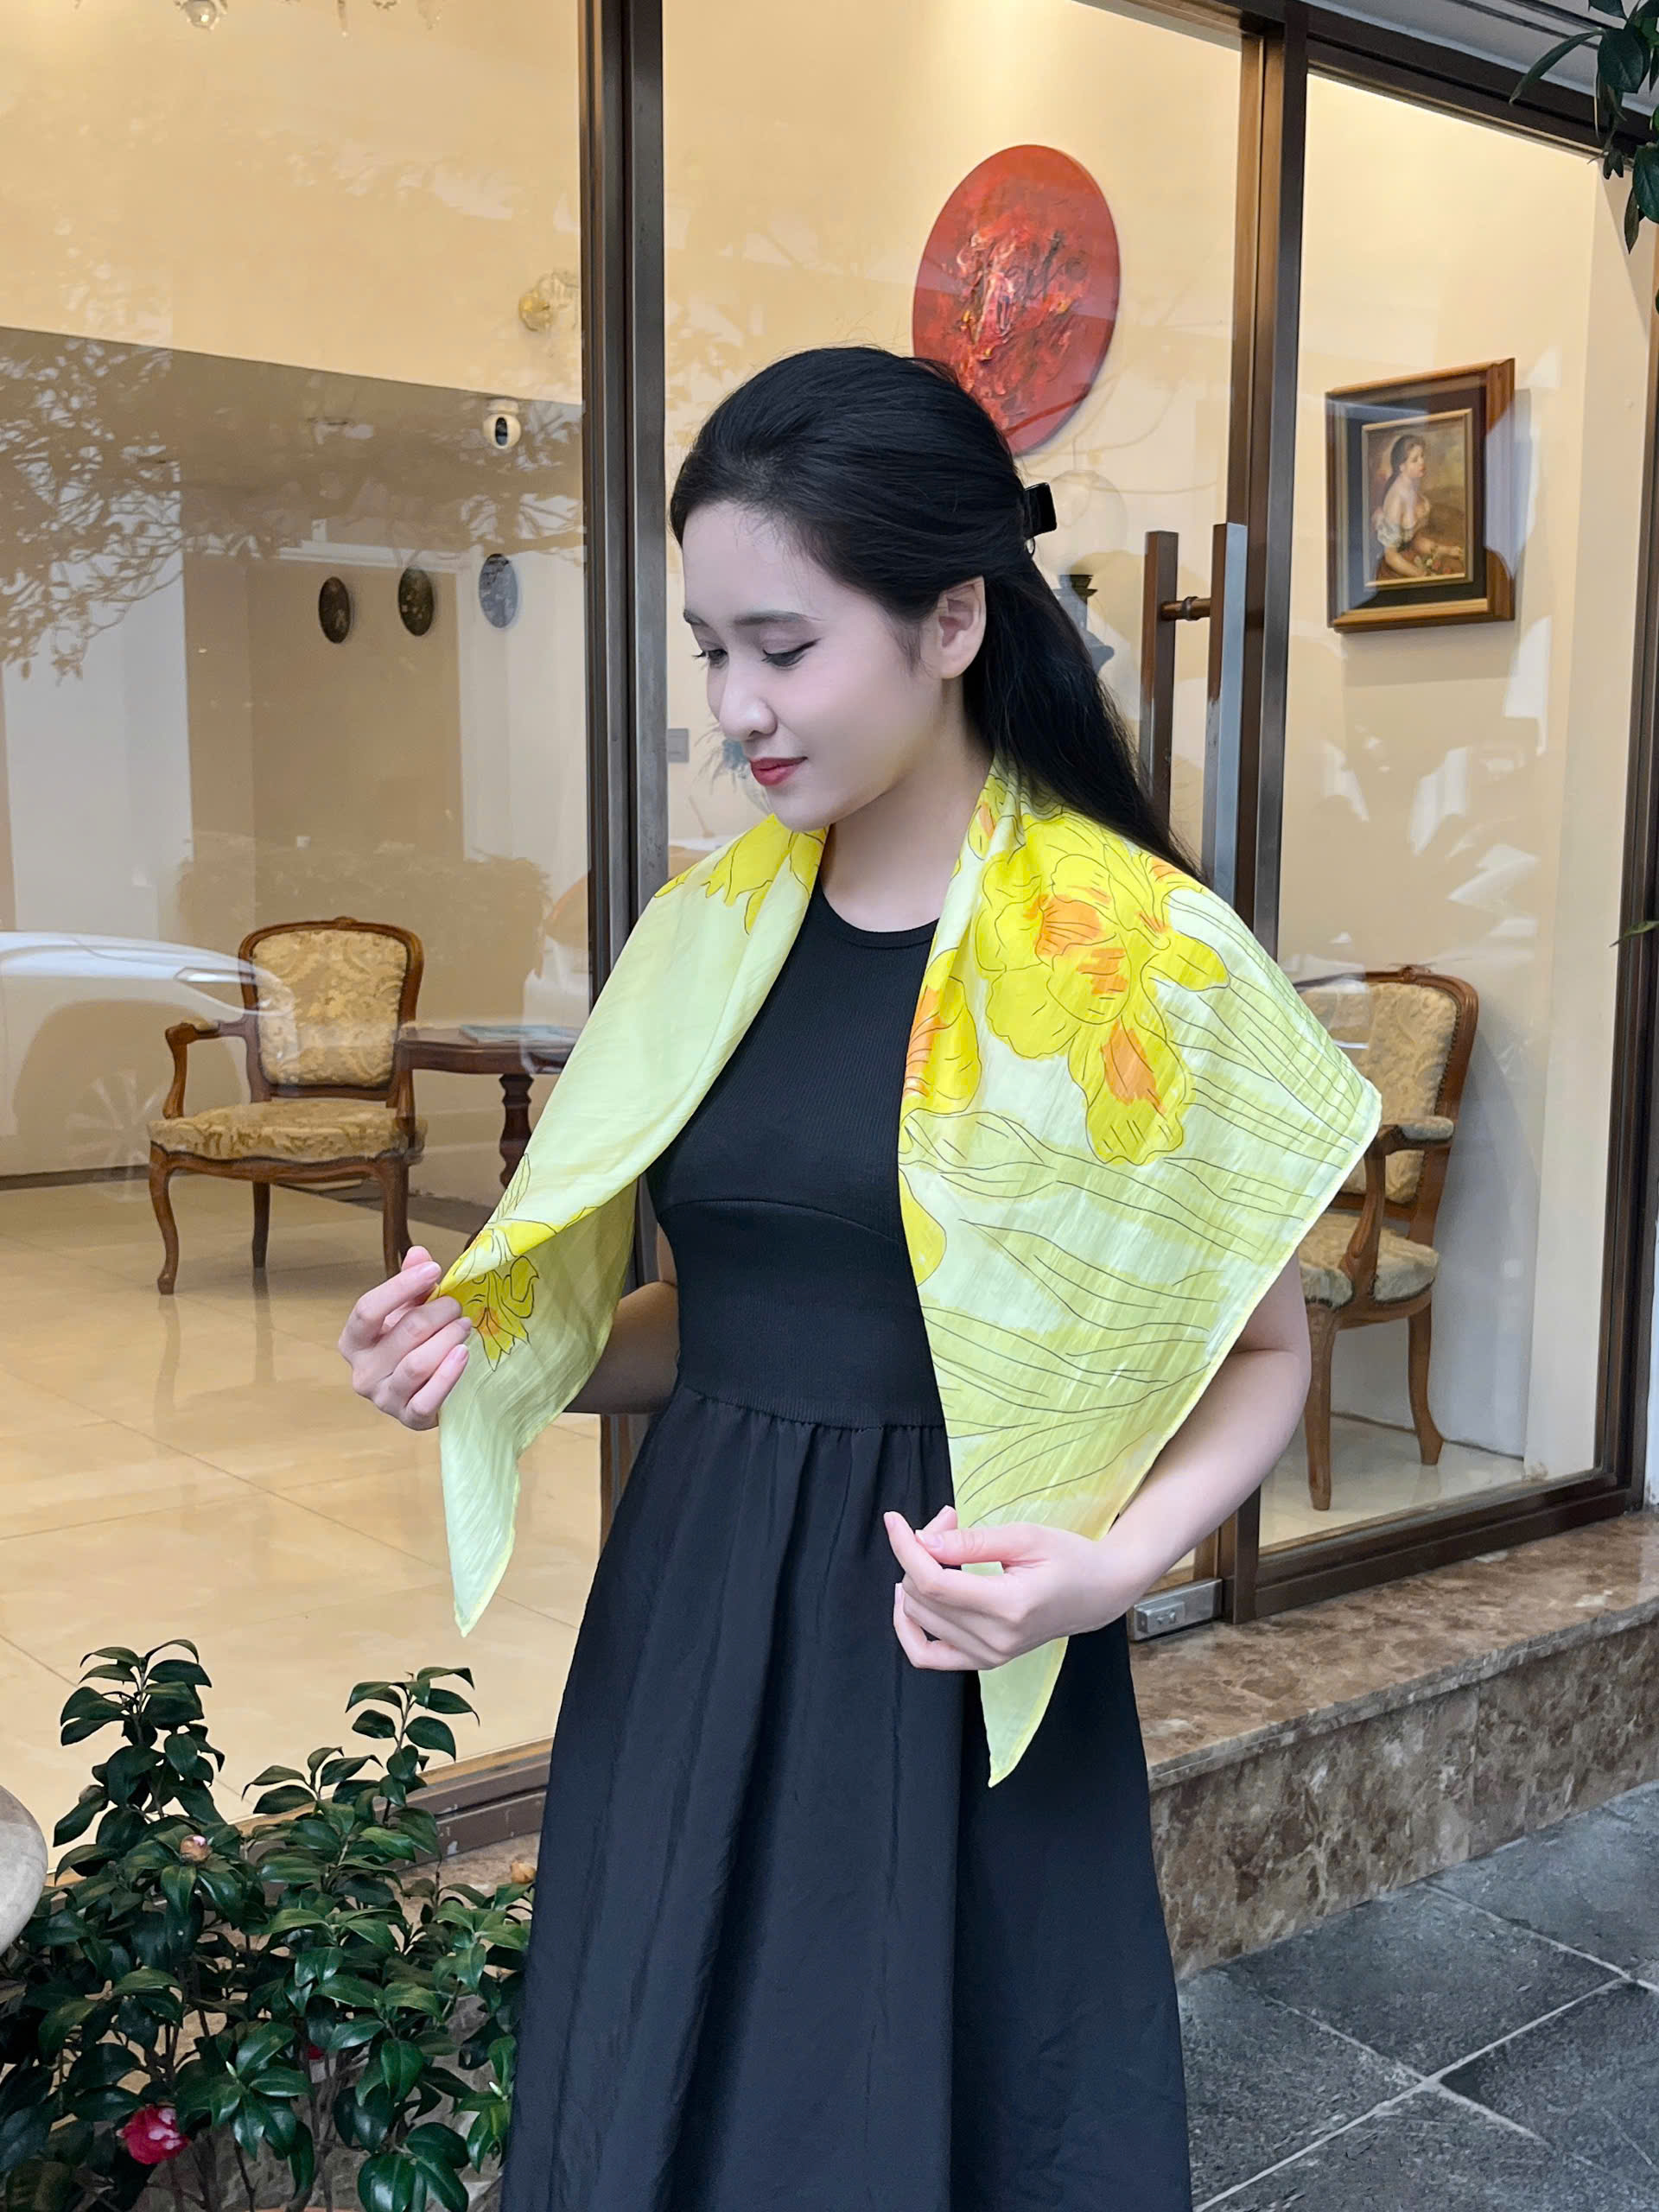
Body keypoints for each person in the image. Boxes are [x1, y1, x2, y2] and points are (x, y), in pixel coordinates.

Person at [339, 346, 1375, 2211]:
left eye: (785, 646)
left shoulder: (1130, 956)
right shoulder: (705, 935)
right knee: (659, 2095)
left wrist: (1114, 1572)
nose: (738, 707)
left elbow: (1267, 1355)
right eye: (710, 650)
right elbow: (719, 1326)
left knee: (925, 2120)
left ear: (952, 620)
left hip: (955, 1638)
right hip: (692, 1615)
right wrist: (493, 1355)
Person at [1372, 430, 1461, 582]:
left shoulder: (1411, 486)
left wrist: (1446, 551)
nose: (1422, 462)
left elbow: (1417, 540)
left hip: (1418, 549)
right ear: (1401, 466)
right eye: (1415, 460)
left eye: (1422, 456)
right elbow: (1391, 556)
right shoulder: (1396, 500)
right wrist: (1422, 576)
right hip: (1400, 565)